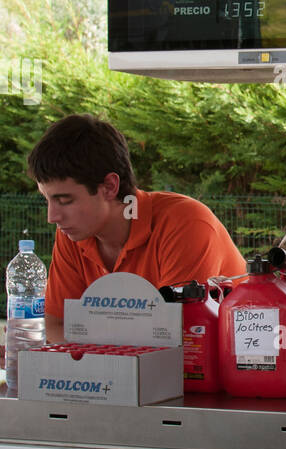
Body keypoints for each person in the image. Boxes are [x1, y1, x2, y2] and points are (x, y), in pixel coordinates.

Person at [27, 114, 247, 343]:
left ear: (110, 187)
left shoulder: (186, 224)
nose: (52, 217)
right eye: (47, 200)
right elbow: (57, 325)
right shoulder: (73, 232)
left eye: (65, 200)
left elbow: (173, 339)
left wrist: (92, 350)